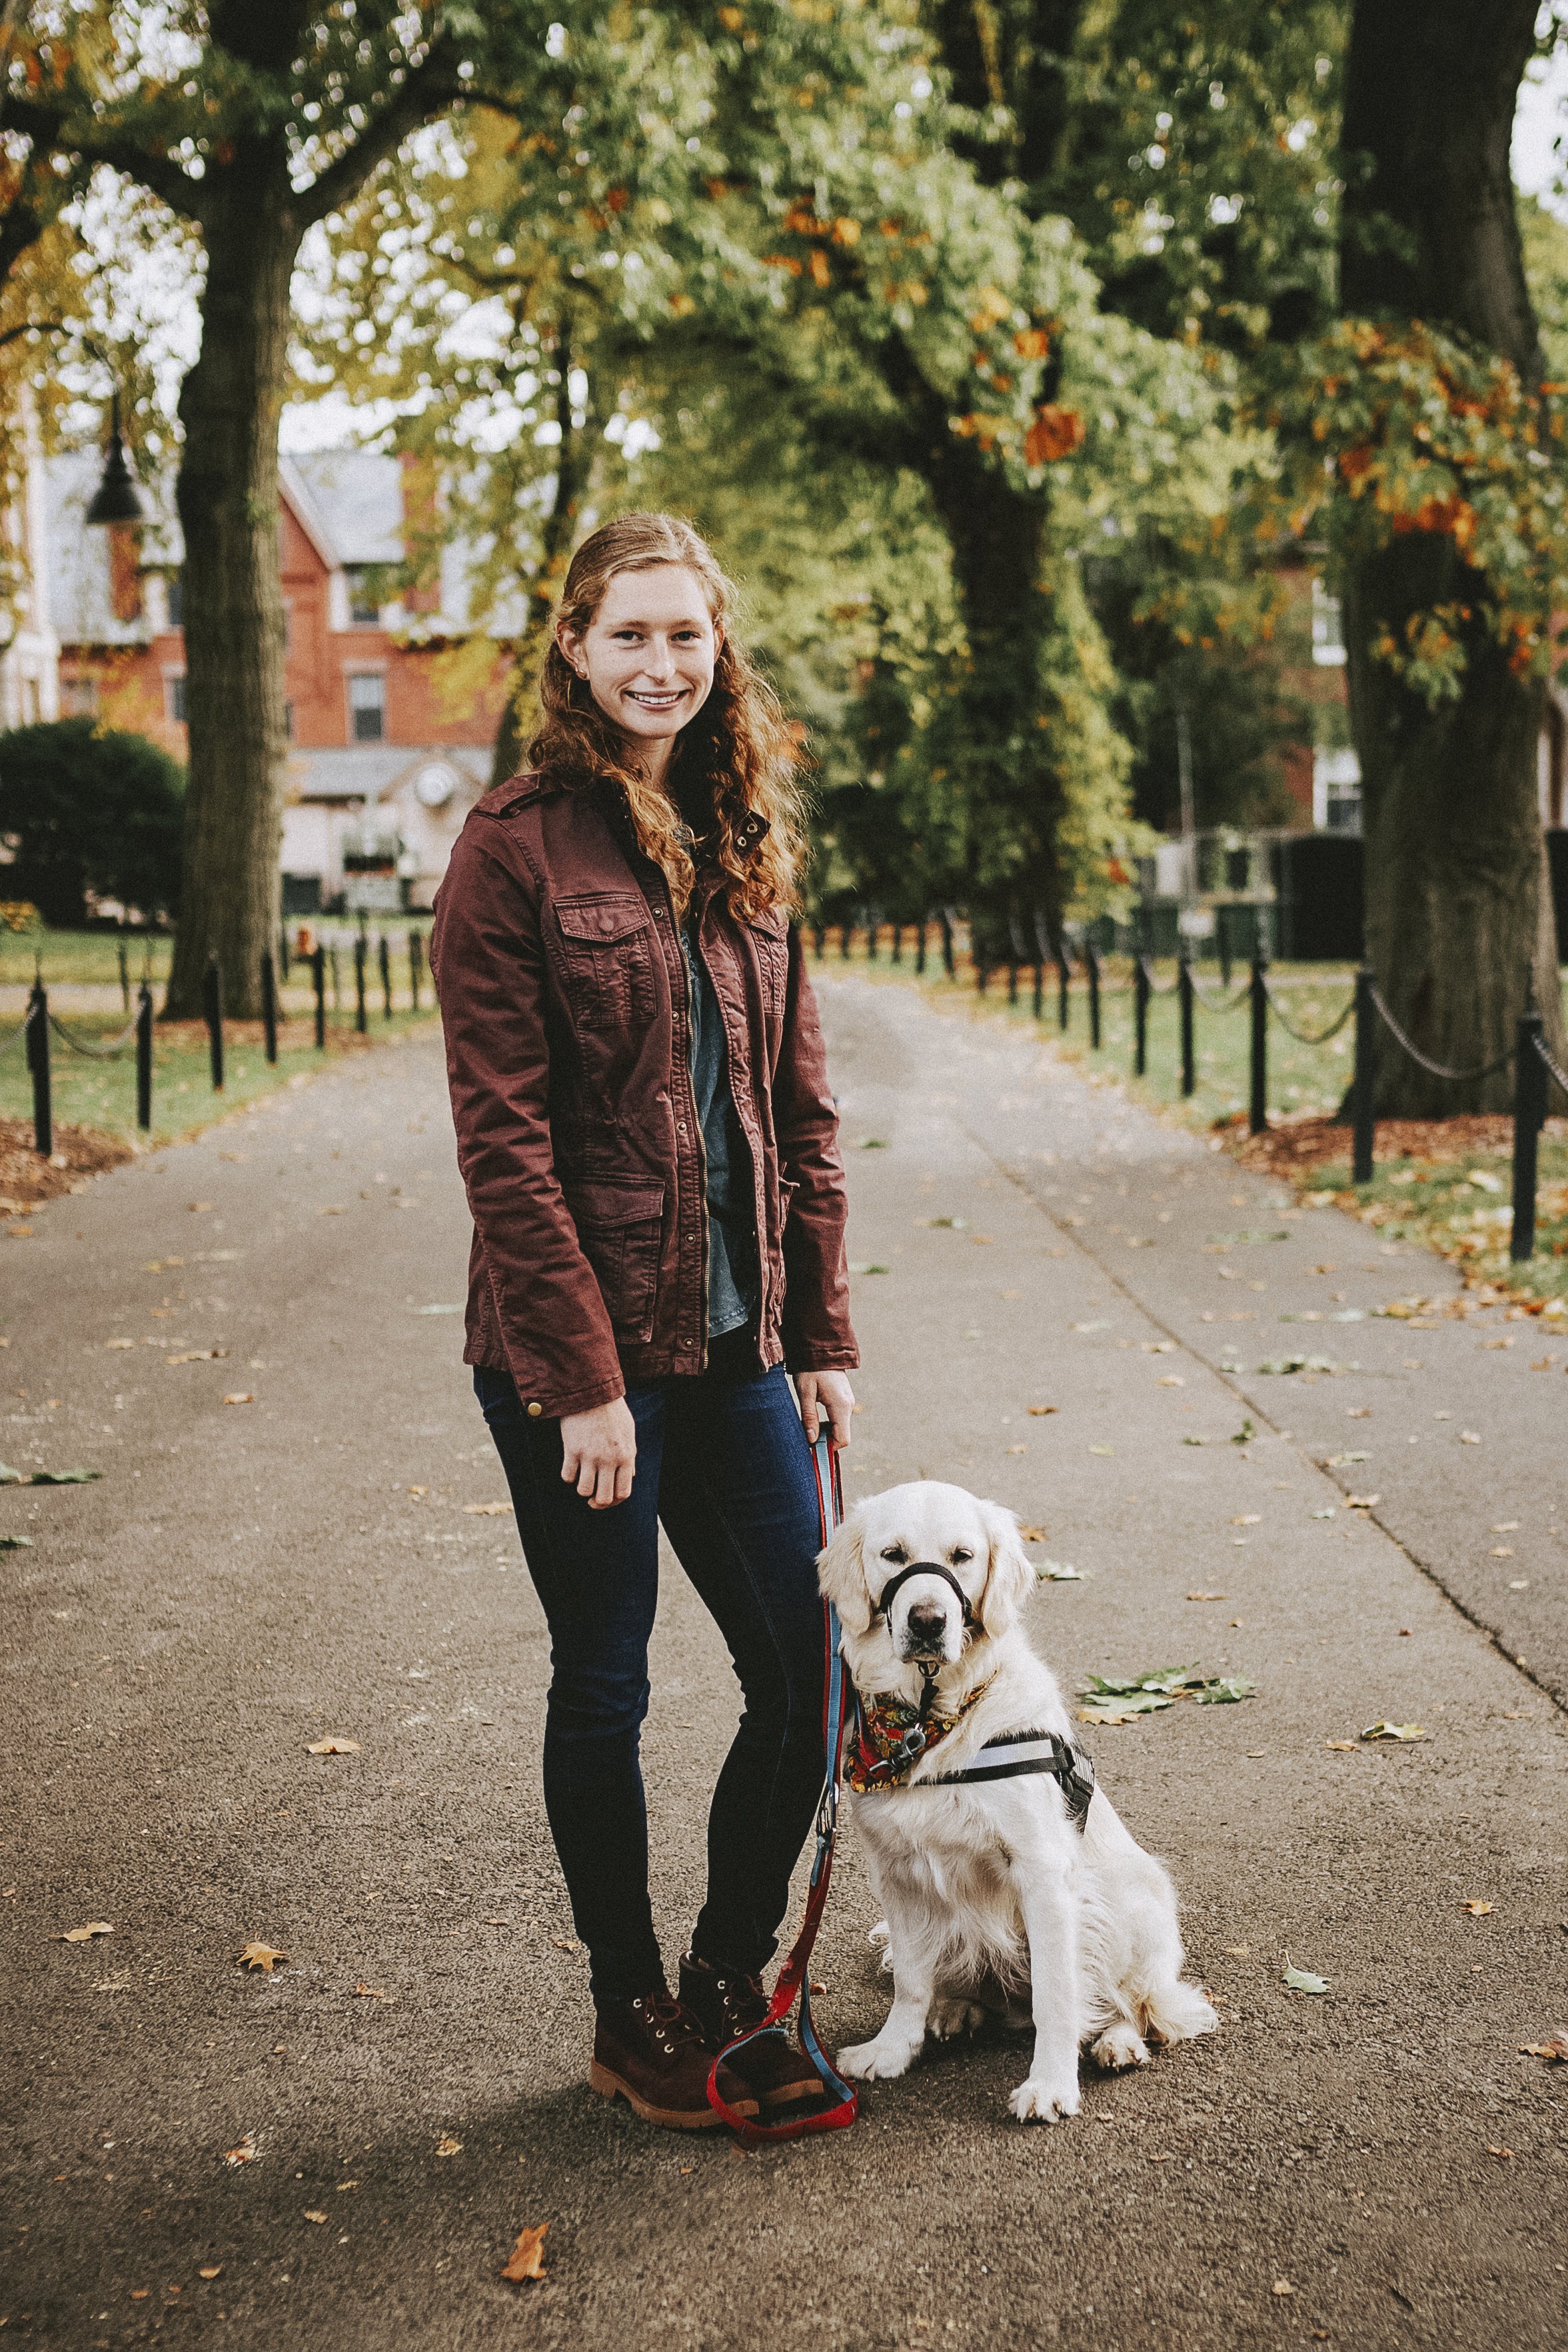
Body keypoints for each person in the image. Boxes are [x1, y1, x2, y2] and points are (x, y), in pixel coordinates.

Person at [430, 511, 858, 2132]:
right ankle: (626, 2009)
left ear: (716, 648)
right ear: (575, 650)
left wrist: (820, 1332)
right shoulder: (516, 845)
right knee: (606, 1679)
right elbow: (505, 1141)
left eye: (687, 636)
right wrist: (581, 1383)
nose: (662, 664)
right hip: (579, 1364)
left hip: (744, 1343)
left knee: (802, 1671)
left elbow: (799, 1113)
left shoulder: (746, 840)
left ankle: (725, 1977)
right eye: (631, 636)